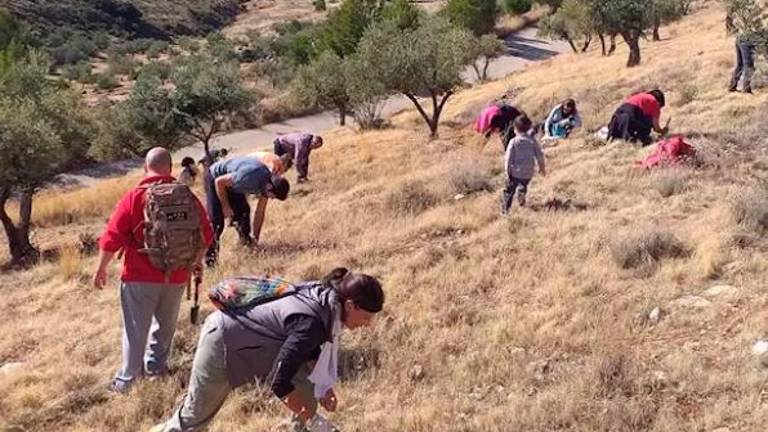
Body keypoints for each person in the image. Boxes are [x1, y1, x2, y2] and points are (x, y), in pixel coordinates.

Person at [151, 268, 385, 432]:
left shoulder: (326, 302)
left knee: (307, 382)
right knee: (193, 421)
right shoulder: (314, 320)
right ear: (350, 305)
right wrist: (315, 421)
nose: (368, 324)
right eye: (366, 317)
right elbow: (279, 382)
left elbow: (307, 349)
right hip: (222, 343)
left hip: (249, 345)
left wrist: (323, 387)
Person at [93, 147, 214, 394]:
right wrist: (195, 261)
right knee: (166, 326)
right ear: (170, 168)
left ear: (145, 168)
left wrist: (101, 268)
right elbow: (207, 234)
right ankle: (156, 371)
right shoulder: (187, 196)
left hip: (139, 276)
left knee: (136, 328)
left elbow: (111, 238)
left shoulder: (134, 197)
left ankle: (128, 381)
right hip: (178, 273)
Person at [204, 156, 290, 266]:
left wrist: (256, 238)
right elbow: (219, 182)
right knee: (216, 223)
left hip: (233, 184)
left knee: (244, 213)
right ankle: (211, 262)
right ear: (269, 187)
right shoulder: (248, 177)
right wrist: (225, 206)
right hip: (215, 178)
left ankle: (246, 246)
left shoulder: (268, 184)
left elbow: (260, 212)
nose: (272, 198)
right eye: (273, 196)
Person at [501, 115, 545, 214]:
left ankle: (505, 211)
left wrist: (507, 172)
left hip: (515, 172)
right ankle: (521, 201)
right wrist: (542, 168)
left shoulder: (514, 142)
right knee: (523, 185)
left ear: (515, 129)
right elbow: (539, 155)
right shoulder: (532, 141)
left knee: (508, 191)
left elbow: (508, 159)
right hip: (528, 172)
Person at [726, 1, 767, 93]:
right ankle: (746, 88)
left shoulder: (740, 10)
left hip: (740, 39)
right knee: (748, 65)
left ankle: (732, 86)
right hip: (746, 40)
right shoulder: (750, 12)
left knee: (740, 65)